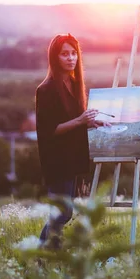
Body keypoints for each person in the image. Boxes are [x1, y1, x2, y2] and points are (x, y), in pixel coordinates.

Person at [35, 33, 108, 249]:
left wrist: (90, 123)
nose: (70, 58)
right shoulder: (46, 89)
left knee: (64, 212)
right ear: (54, 58)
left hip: (72, 159)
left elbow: (74, 120)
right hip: (56, 161)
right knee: (62, 213)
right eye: (64, 54)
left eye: (74, 53)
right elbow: (49, 131)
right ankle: (43, 255)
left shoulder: (75, 84)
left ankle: (46, 254)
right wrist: (80, 120)